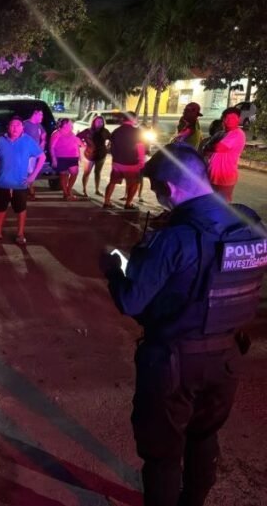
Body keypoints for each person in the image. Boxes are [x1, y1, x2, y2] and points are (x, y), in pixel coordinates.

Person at [100, 143, 267, 506]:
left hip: (174, 362)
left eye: (158, 192)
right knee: (204, 437)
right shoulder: (249, 223)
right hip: (227, 356)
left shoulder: (174, 238)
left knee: (162, 454)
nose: (160, 200)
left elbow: (131, 300)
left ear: (171, 189)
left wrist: (113, 270)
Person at [0, 117, 45, 245]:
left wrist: (33, 176)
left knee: (21, 209)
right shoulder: (1, 141)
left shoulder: (28, 141)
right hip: (1, 183)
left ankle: (20, 234)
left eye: (18, 125)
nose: (15, 128)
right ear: (8, 127)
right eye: (12, 125)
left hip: (20, 184)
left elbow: (42, 157)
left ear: (22, 128)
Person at [103, 112, 145, 210]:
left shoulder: (116, 131)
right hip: (132, 163)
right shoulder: (137, 131)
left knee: (112, 182)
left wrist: (114, 159)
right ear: (133, 119)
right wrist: (141, 160)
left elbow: (110, 146)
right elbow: (140, 146)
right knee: (134, 182)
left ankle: (106, 201)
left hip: (117, 162)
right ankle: (128, 203)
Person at [207, 107, 246, 203]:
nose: (230, 121)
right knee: (211, 203)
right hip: (212, 176)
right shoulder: (221, 134)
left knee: (223, 205)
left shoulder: (237, 133)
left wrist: (211, 146)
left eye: (234, 118)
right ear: (223, 119)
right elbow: (205, 148)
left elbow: (218, 148)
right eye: (227, 118)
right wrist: (210, 146)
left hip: (225, 178)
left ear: (239, 119)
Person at [50, 118, 84, 200]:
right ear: (65, 125)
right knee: (64, 175)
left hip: (73, 157)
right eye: (70, 123)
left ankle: (69, 190)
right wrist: (54, 159)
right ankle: (66, 193)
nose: (72, 124)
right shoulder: (56, 133)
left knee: (74, 173)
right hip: (61, 157)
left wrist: (79, 154)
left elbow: (77, 143)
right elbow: (51, 147)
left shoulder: (71, 133)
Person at [77, 115, 110, 197]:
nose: (100, 123)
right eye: (98, 121)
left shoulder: (105, 131)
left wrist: (108, 146)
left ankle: (97, 190)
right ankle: (84, 190)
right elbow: (77, 137)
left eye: (101, 122)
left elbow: (111, 138)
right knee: (86, 173)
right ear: (93, 122)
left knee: (98, 173)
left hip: (101, 155)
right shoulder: (88, 131)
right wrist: (82, 145)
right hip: (89, 155)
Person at [23, 109, 47, 200]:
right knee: (25, 171)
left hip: (34, 154)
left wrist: (43, 141)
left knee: (31, 171)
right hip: (26, 154)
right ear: (35, 114)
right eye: (41, 115)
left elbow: (44, 133)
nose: (42, 117)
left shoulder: (38, 125)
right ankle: (28, 191)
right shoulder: (25, 124)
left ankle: (30, 191)